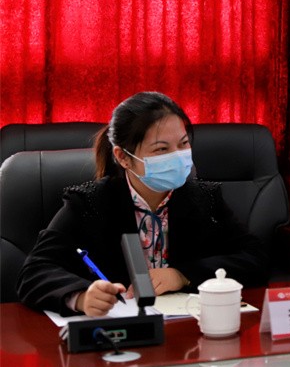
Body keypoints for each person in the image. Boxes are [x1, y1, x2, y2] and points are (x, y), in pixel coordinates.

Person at [17, 92, 268, 316]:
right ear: (123, 157)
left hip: (187, 331)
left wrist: (182, 275)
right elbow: (34, 272)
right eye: (161, 149)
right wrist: (81, 297)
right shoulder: (89, 203)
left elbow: (255, 257)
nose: (178, 156)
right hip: (118, 333)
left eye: (183, 144)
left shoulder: (205, 198)